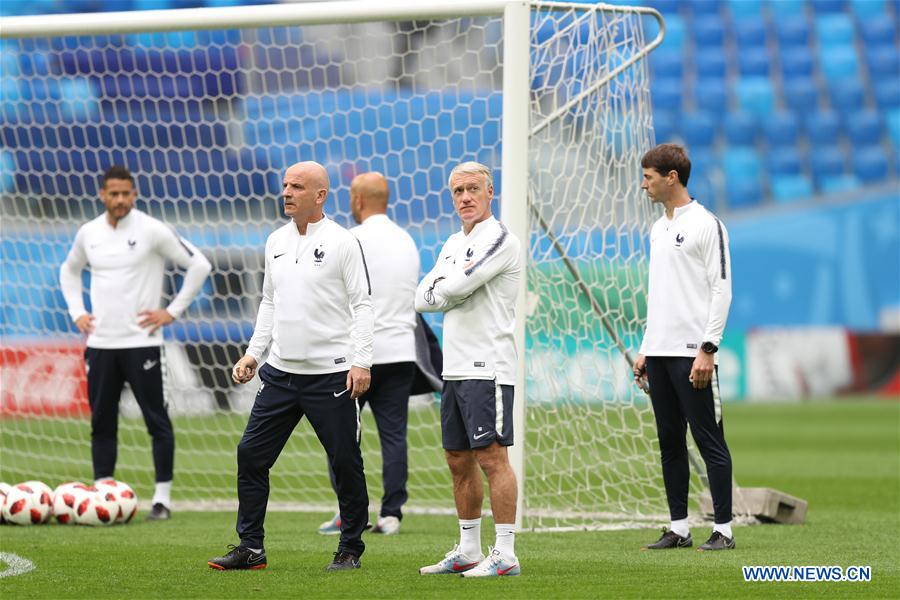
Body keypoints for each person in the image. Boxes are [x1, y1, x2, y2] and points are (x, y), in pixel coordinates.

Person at [207, 161, 373, 572]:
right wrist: (253, 353)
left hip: (330, 375)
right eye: (285, 185)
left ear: (320, 195)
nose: (287, 192)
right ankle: (251, 547)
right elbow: (269, 301)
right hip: (279, 374)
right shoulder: (275, 240)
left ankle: (350, 546)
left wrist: (361, 361)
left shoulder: (342, 241)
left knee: (344, 461)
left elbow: (363, 304)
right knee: (250, 454)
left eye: (297, 187)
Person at [59, 165, 212, 521]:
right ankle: (102, 492)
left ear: (135, 193)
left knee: (156, 419)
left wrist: (171, 311)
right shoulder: (88, 233)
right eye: (113, 193)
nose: (120, 199)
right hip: (100, 344)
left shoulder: (151, 229)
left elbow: (199, 265)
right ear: (102, 195)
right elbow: (69, 270)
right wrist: (77, 311)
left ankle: (162, 498)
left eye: (126, 193)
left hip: (142, 343)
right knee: (102, 420)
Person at [415, 162, 523, 577]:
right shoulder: (451, 243)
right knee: (457, 459)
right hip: (455, 368)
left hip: (488, 367)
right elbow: (420, 297)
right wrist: (448, 290)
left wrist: (447, 289)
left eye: (473, 188)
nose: (465, 197)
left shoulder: (501, 240)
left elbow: (454, 288)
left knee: (493, 458)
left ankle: (506, 553)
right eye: (458, 190)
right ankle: (468, 549)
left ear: (490, 192)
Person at [633, 144, 736, 552]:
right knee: (670, 441)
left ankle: (724, 530)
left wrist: (708, 348)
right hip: (659, 353)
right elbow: (659, 295)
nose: (644, 185)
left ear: (671, 177)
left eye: (649, 177)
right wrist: (646, 347)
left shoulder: (708, 225)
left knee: (710, 441)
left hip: (694, 354)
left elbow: (721, 289)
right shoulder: (658, 228)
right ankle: (678, 528)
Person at [317, 172, 427, 537]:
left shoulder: (350, 239)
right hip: (400, 353)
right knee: (394, 435)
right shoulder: (407, 241)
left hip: (357, 356)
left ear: (359, 200)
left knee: (344, 436)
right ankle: (392, 513)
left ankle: (350, 513)